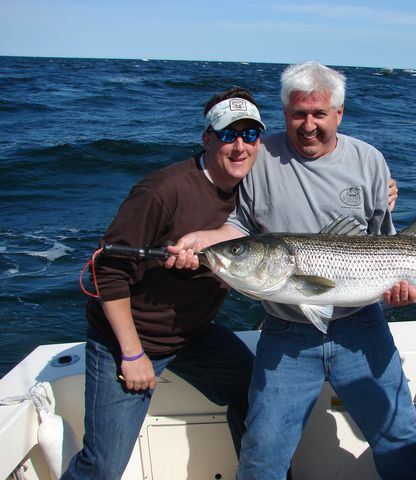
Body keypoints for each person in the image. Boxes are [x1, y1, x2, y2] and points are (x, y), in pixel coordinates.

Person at [169, 62, 416, 480]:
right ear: (284, 112)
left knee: (399, 437)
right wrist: (205, 238)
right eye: (297, 114)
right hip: (285, 332)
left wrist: (404, 290)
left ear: (339, 114)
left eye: (319, 114)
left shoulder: (369, 160)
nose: (308, 125)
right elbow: (239, 223)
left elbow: (387, 243)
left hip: (362, 326)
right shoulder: (260, 157)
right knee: (262, 455)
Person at [62, 87, 264, 479]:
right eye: (228, 135)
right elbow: (107, 270)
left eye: (250, 134)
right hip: (130, 340)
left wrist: (381, 191)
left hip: (194, 333)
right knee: (102, 465)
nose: (240, 146)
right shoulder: (161, 192)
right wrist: (133, 354)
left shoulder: (254, 188)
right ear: (207, 138)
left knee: (259, 397)